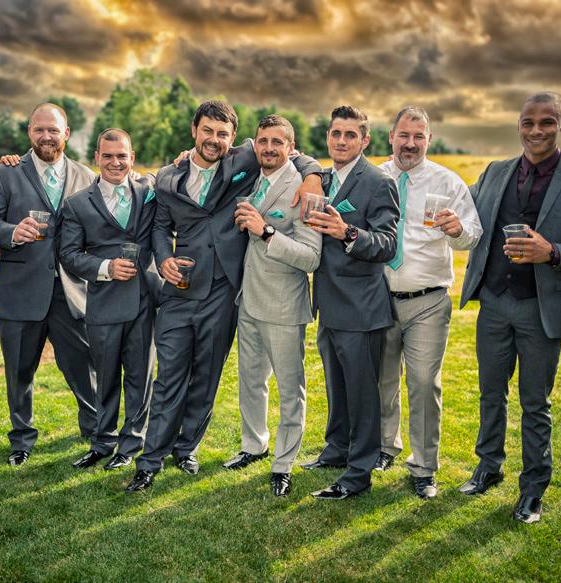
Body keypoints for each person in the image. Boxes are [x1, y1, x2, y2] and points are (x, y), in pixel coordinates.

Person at [125, 100, 323, 492]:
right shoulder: (168, 177)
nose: (214, 140)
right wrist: (163, 259)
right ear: (194, 131)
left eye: (222, 134)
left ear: (233, 139)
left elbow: (289, 152)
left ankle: (186, 449)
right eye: (207, 131)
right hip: (180, 290)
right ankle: (149, 461)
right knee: (169, 377)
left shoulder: (243, 160)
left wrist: (313, 175)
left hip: (225, 291)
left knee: (207, 376)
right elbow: (160, 228)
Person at [459, 92, 561, 523]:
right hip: (494, 302)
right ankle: (488, 467)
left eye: (547, 122)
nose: (536, 130)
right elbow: (463, 207)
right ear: (518, 125)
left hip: (541, 309)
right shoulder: (495, 172)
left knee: (535, 403)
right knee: (490, 393)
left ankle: (533, 490)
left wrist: (553, 252)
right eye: (528, 122)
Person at [0, 103, 98, 466]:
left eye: (53, 130)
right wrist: (12, 232)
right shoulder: (5, 173)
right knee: (19, 371)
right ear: (29, 132)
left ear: (67, 133)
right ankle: (21, 439)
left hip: (71, 290)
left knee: (83, 366)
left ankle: (96, 430)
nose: (46, 136)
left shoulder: (86, 176)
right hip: (21, 289)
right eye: (39, 130)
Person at [375, 106, 483, 499]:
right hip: (379, 298)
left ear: (429, 139)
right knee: (382, 379)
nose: (410, 143)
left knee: (423, 382)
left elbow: (473, 232)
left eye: (418, 136)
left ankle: (423, 467)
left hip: (428, 301)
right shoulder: (375, 177)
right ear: (391, 137)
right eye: (404, 135)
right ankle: (384, 447)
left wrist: (458, 229)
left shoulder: (447, 181)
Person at [302, 105, 399, 500]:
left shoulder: (378, 182)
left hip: (361, 308)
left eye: (350, 135)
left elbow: (387, 244)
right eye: (335, 133)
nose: (341, 141)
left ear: (364, 140)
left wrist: (348, 233)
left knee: (362, 394)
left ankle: (359, 473)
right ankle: (336, 450)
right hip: (328, 303)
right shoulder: (322, 178)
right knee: (337, 386)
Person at [223, 115, 322, 497]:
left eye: (277, 142)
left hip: (283, 307)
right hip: (248, 300)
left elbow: (311, 257)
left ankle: (283, 464)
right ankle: (254, 445)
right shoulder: (251, 177)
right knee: (251, 381)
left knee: (290, 389)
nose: (268, 148)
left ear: (291, 148)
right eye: (262, 141)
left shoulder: (303, 189)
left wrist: (265, 231)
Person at [57, 128, 159, 471]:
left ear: (132, 157)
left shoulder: (149, 191)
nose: (116, 162)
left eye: (122, 156)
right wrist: (105, 267)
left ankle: (131, 443)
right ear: (97, 158)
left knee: (140, 377)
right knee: (105, 376)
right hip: (102, 302)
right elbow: (69, 254)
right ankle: (102, 441)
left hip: (143, 301)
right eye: (108, 156)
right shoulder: (77, 204)